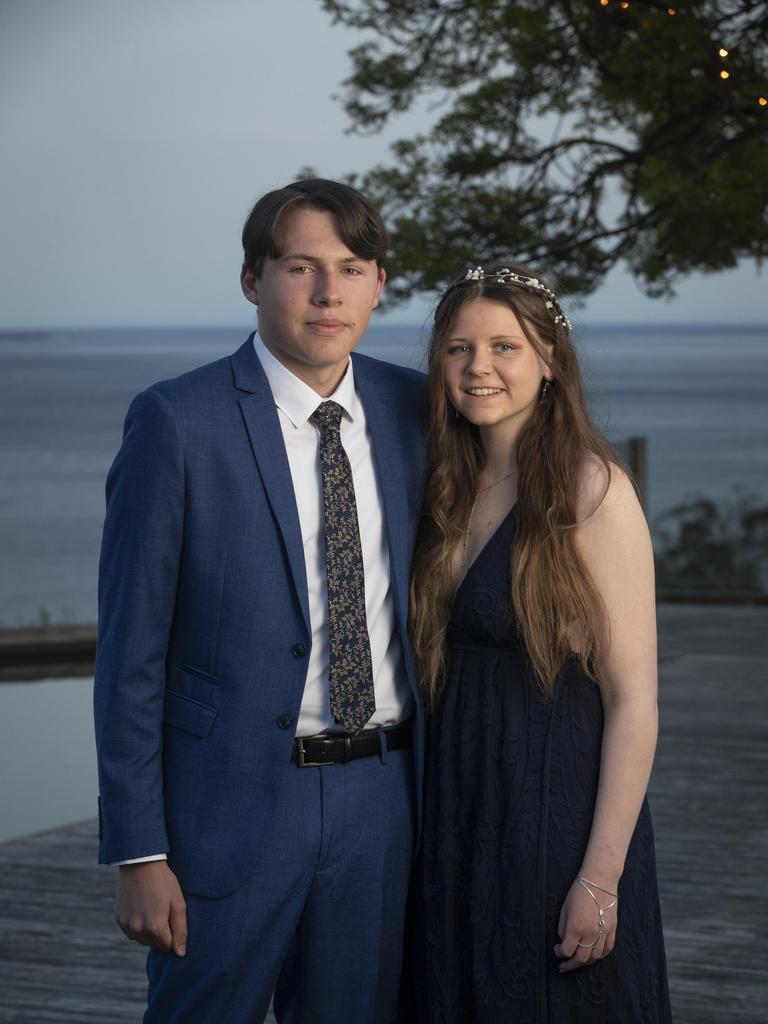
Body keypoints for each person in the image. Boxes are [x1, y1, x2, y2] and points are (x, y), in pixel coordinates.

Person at [93, 178, 427, 1023]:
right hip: (230, 807)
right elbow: (130, 654)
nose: (328, 293)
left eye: (352, 269)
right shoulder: (176, 421)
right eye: (301, 267)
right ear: (253, 280)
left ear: (379, 284)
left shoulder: (415, 408)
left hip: (382, 802)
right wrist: (139, 849)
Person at [408, 263, 672, 1022]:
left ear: (549, 361)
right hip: (454, 809)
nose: (477, 367)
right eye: (458, 349)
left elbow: (634, 699)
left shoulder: (593, 492)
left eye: (504, 346)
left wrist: (601, 876)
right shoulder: (444, 488)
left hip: (554, 814)